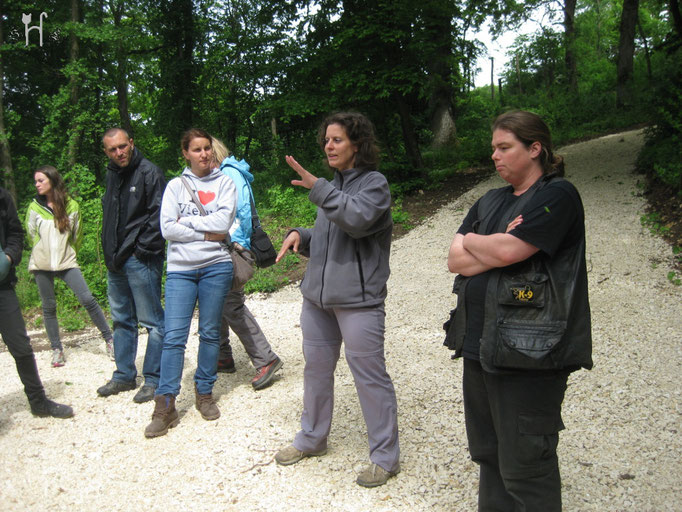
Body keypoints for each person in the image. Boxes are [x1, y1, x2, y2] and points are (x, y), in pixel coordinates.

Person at [446, 110, 592, 511]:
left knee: (526, 465)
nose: (495, 155)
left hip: (530, 352)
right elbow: (454, 261)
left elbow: (511, 250)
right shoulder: (490, 200)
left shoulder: (556, 195)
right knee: (488, 454)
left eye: (504, 147)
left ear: (535, 148)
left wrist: (477, 241)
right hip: (479, 348)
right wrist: (487, 240)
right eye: (493, 148)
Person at [273, 112, 400, 488]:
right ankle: (312, 439)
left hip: (359, 302)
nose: (328, 146)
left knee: (369, 378)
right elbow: (332, 232)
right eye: (326, 140)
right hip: (317, 300)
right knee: (315, 372)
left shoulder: (375, 185)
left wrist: (320, 188)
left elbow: (358, 220)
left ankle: (385, 457)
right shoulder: (331, 186)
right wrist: (302, 234)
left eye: (337, 140)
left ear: (356, 145)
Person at [144, 129, 237, 438]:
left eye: (207, 148)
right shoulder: (174, 186)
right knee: (173, 337)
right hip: (181, 270)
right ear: (185, 153)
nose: (204, 154)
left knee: (211, 333)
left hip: (216, 267)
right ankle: (166, 404)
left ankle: (205, 393)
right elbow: (167, 228)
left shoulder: (225, 183)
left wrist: (190, 224)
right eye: (196, 149)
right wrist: (205, 231)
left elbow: (223, 225)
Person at [97, 128, 166, 404]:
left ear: (132, 144)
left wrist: (140, 251)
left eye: (122, 146)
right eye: (112, 149)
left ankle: (153, 379)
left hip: (140, 259)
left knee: (153, 322)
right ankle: (124, 375)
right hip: (115, 260)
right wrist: (111, 254)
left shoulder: (150, 172)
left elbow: (160, 216)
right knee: (122, 320)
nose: (119, 152)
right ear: (106, 151)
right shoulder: (112, 174)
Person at [210, 138, 283, 390]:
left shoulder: (228, 173)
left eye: (205, 151)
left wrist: (235, 244)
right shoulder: (223, 173)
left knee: (231, 304)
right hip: (224, 247)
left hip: (233, 248)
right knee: (216, 300)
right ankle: (223, 356)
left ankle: (266, 359)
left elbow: (241, 213)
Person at [26, 165, 114, 367]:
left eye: (41, 180)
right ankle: (56, 349)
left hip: (67, 261)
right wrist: (43, 250)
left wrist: (67, 252)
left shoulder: (71, 205)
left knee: (87, 299)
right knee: (49, 307)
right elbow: (31, 234)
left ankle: (110, 339)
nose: (37, 184)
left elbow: (77, 236)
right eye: (36, 181)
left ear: (52, 180)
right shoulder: (34, 207)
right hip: (42, 264)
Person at [0, 185, 74, 419]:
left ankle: (38, 402)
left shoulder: (2, 196)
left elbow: (15, 233)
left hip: (2, 286)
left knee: (21, 346)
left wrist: (10, 256)